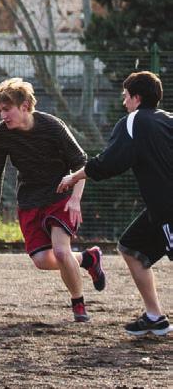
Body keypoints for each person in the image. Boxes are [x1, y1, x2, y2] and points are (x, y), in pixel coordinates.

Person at [58, 70, 173, 337]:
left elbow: (110, 162)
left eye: (125, 96)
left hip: (168, 208)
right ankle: (155, 317)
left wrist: (74, 176)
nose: (123, 102)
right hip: (160, 210)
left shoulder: (133, 121)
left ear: (136, 97)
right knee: (131, 247)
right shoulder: (168, 120)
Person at [0, 78, 106, 323]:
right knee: (41, 261)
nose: (2, 115)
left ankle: (78, 303)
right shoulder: (2, 134)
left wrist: (75, 199)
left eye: (7, 109)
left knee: (61, 251)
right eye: (0, 111)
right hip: (30, 199)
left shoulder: (52, 126)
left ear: (25, 106)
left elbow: (81, 163)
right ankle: (88, 259)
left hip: (60, 195)